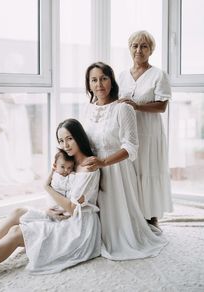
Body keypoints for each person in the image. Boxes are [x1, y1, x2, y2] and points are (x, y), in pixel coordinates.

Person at [0, 119, 101, 276]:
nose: (65, 145)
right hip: (62, 216)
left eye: (69, 138)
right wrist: (49, 210)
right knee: (18, 212)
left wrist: (47, 187)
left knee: (17, 232)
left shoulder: (89, 167)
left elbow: (72, 209)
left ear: (79, 137)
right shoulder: (67, 162)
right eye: (61, 140)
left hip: (78, 229)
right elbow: (63, 196)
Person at [82, 61, 167, 261]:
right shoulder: (88, 109)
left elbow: (130, 147)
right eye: (93, 80)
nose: (99, 84)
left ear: (112, 80)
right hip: (94, 172)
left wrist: (103, 162)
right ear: (88, 84)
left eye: (104, 78)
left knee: (120, 229)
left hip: (117, 172)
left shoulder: (123, 108)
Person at [118, 30, 173, 227]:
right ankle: (133, 214)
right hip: (128, 133)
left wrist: (137, 106)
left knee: (148, 170)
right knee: (131, 171)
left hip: (150, 133)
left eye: (144, 46)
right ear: (129, 48)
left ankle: (151, 217)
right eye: (135, 46)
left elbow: (162, 106)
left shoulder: (158, 75)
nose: (138, 50)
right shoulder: (122, 75)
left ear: (151, 50)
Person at [46, 149, 76, 214]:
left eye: (69, 168)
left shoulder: (62, 175)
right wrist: (72, 175)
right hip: (54, 204)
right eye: (62, 167)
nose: (66, 170)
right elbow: (67, 186)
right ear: (55, 166)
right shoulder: (57, 176)